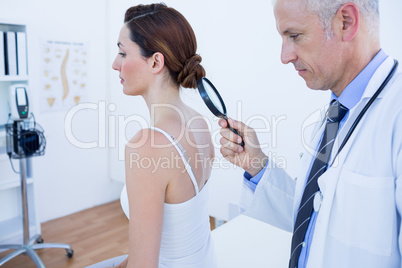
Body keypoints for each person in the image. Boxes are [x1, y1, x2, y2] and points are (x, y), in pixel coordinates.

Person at [219, 0, 402, 267]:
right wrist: (257, 167)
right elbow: (315, 219)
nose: (285, 56)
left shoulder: (395, 114)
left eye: (294, 36)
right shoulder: (336, 114)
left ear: (346, 22)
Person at [87, 3, 217, 268]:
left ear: (156, 61)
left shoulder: (147, 146)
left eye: (123, 53)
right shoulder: (199, 122)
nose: (115, 64)